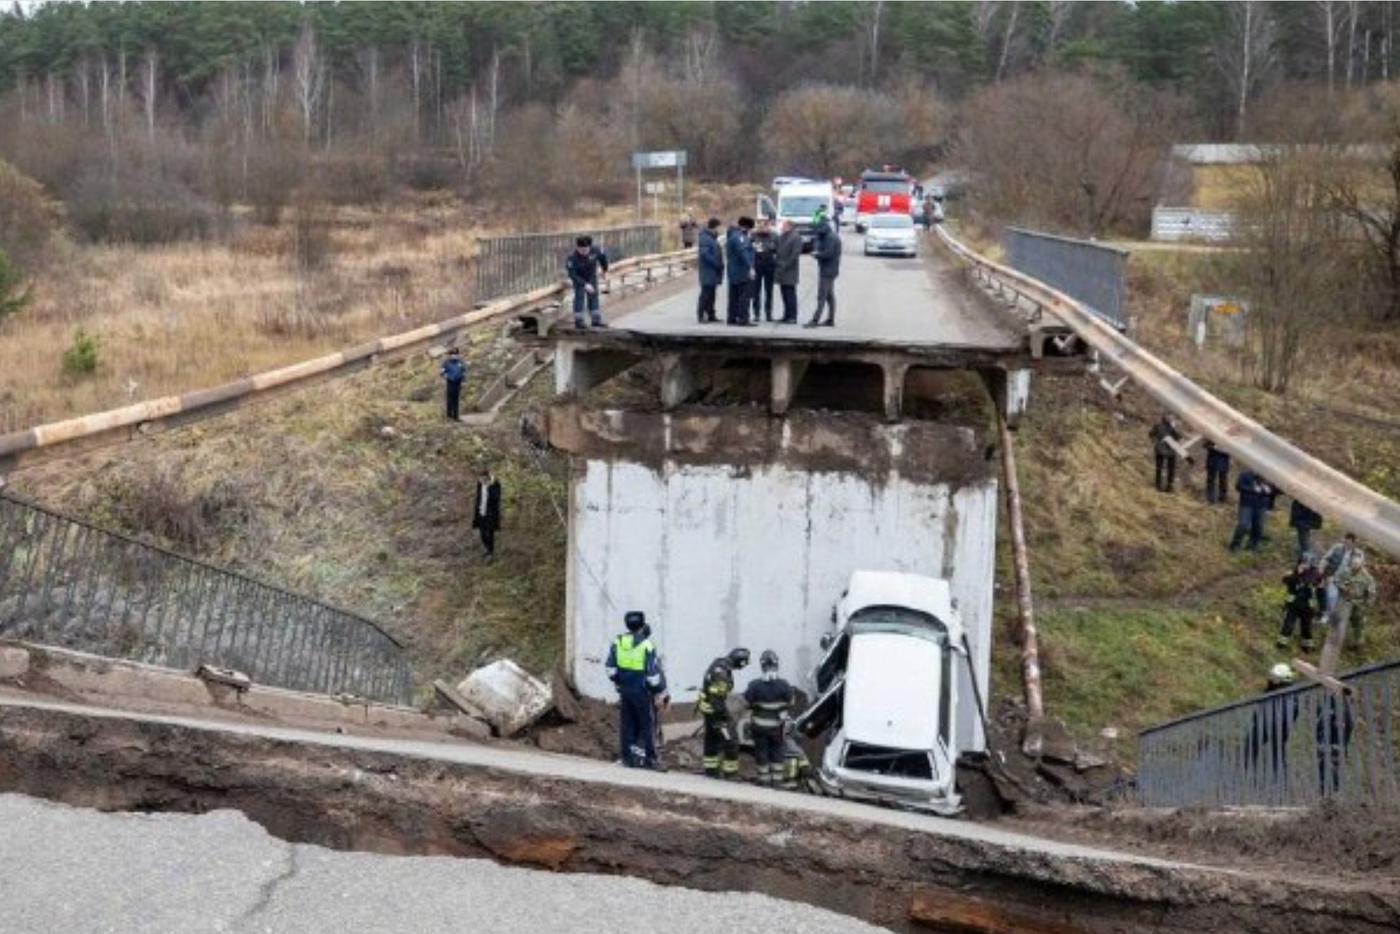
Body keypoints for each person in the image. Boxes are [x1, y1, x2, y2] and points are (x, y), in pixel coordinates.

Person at [605, 611, 668, 769]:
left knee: (627, 724)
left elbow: (610, 669)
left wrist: (620, 682)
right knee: (648, 724)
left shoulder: (618, 641)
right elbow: (653, 675)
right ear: (642, 624)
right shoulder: (647, 645)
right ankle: (650, 760)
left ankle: (628, 759)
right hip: (642, 691)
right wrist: (657, 691)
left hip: (625, 690)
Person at [742, 650, 795, 788]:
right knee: (777, 752)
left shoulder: (754, 685)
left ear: (762, 666)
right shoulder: (784, 685)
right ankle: (777, 781)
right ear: (777, 665)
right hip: (777, 727)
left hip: (759, 726)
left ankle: (764, 781)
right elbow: (792, 702)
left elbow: (746, 702)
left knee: (761, 751)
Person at [698, 646, 750, 779]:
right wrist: (724, 717)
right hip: (716, 714)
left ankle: (711, 771)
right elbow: (716, 699)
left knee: (711, 740)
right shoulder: (722, 673)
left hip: (708, 711)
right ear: (740, 662)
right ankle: (730, 774)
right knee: (731, 741)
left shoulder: (718, 664)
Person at [1329, 549, 1377, 650]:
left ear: (1361, 564)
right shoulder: (1345, 571)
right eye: (1353, 564)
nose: (1354, 566)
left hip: (1357, 604)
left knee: (1358, 624)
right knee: (1336, 619)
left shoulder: (1367, 578)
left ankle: (1357, 644)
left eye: (1356, 564)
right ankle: (1334, 640)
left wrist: (1366, 605)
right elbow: (1335, 579)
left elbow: (1371, 594)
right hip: (1343, 601)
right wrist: (1342, 587)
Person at [1277, 554, 1323, 651]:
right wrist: (1297, 574)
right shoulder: (1295, 570)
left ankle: (1307, 647)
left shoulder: (1316, 574)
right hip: (1293, 604)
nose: (1304, 564)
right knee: (1288, 625)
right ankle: (1281, 645)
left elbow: (1316, 588)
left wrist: (1322, 608)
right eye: (1303, 562)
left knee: (1306, 628)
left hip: (1307, 606)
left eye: (1307, 563)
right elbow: (1285, 580)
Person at [564, 235, 610, 331]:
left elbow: (603, 258)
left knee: (593, 296)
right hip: (579, 278)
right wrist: (584, 284)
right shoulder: (572, 258)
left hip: (591, 276)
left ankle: (596, 320)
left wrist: (605, 271)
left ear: (589, 247)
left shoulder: (596, 250)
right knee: (579, 296)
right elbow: (572, 274)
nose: (584, 252)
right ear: (577, 248)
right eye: (581, 250)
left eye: (586, 250)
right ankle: (579, 321)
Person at [804, 218, 841, 328]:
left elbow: (828, 254)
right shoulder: (827, 236)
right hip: (829, 269)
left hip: (828, 270)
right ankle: (830, 319)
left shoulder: (831, 238)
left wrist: (816, 255)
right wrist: (817, 247)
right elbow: (818, 245)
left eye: (818, 230)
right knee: (829, 296)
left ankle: (815, 320)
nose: (816, 232)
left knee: (822, 296)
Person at [1228, 469, 1274, 551]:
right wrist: (1252, 489)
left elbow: (1277, 489)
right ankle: (1235, 545)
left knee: (1258, 527)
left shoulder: (1269, 475)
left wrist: (1269, 490)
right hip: (1247, 504)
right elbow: (1238, 486)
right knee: (1243, 525)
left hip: (1262, 505)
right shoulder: (1245, 474)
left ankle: (1252, 546)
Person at [725, 217, 756, 326]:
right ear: (747, 227)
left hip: (733, 270)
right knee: (744, 296)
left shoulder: (731, 235)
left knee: (733, 295)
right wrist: (750, 267)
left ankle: (732, 317)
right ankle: (743, 319)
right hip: (741, 270)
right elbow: (743, 253)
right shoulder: (740, 237)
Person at [1320, 533, 1361, 613]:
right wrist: (1321, 566)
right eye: (1345, 542)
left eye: (1349, 543)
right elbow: (1326, 558)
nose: (1346, 544)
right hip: (1333, 576)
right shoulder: (1337, 547)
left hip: (1347, 580)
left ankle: (1337, 614)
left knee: (1344, 600)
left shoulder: (1358, 554)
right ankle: (1327, 613)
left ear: (1354, 543)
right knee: (1331, 596)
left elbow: (1359, 568)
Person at [696, 217, 724, 324]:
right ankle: (701, 315)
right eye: (719, 227)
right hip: (708, 270)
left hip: (713, 271)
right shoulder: (705, 238)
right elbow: (704, 254)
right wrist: (716, 263)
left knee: (712, 294)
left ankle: (711, 314)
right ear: (714, 227)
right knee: (705, 294)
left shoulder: (712, 238)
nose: (720, 230)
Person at [749, 218, 778, 322]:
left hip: (769, 266)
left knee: (769, 291)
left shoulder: (774, 235)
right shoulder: (753, 235)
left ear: (768, 226)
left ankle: (769, 314)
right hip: (757, 265)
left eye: (765, 226)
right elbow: (748, 249)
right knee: (756, 291)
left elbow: (778, 250)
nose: (763, 228)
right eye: (760, 226)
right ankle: (756, 313)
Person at [774, 219, 802, 324]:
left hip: (790, 271)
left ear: (790, 226)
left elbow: (795, 254)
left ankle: (792, 316)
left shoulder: (796, 237)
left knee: (790, 294)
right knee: (784, 294)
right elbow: (778, 249)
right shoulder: (782, 236)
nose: (782, 227)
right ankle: (786, 315)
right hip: (781, 270)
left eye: (784, 225)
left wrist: (786, 265)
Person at [471, 468, 502, 559]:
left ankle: (491, 552)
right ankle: (487, 549)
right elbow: (478, 498)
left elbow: (496, 498)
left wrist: (489, 487)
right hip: (481, 512)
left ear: (487, 477)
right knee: (482, 533)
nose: (481, 481)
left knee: (490, 533)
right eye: (480, 479)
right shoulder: (480, 484)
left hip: (491, 514)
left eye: (483, 479)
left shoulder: (495, 484)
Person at [1149, 414, 1181, 493]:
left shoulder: (1173, 427)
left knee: (1171, 469)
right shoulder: (1158, 426)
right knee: (1159, 468)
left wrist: (1174, 428)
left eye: (1172, 417)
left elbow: (1178, 437)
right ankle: (1158, 485)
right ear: (1164, 417)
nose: (1170, 418)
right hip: (1161, 448)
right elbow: (1151, 434)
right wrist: (1155, 441)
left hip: (1171, 449)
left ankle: (1169, 486)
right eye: (1169, 416)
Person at [439, 347, 467, 421]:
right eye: (452, 354)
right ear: (450, 355)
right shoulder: (446, 363)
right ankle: (449, 416)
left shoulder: (460, 362)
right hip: (450, 382)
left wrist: (464, 381)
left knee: (456, 400)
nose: (454, 356)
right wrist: (446, 376)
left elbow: (463, 371)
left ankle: (456, 416)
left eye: (455, 354)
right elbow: (442, 372)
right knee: (450, 400)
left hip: (458, 382)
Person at [1204, 440, 1230, 504]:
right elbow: (1204, 445)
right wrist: (1211, 446)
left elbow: (1230, 450)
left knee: (1222, 480)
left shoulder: (1228, 439)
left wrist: (1216, 447)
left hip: (1222, 460)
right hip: (1213, 461)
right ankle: (1210, 498)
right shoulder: (1212, 437)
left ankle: (1222, 498)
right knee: (1211, 480)